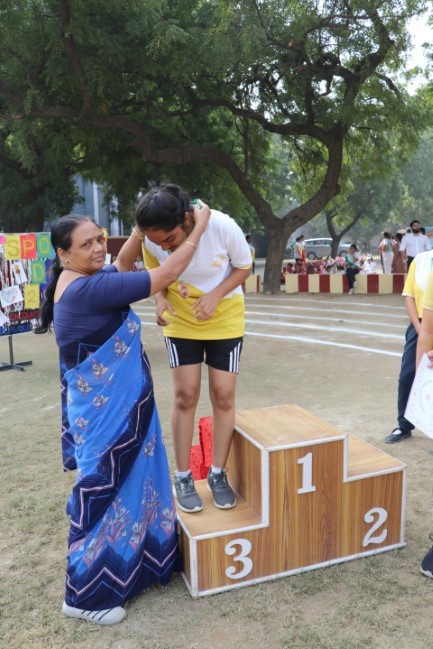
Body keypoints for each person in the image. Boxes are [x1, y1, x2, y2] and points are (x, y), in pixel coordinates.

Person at [35, 202, 211, 625]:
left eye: (100, 238)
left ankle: (138, 568)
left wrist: (136, 231)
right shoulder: (86, 291)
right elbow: (164, 275)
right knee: (104, 493)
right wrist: (199, 228)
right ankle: (84, 597)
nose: (98, 248)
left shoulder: (85, 279)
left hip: (125, 408)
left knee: (134, 485)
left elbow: (122, 264)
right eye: (87, 244)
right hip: (109, 418)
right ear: (63, 254)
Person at [136, 184, 252, 514]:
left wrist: (215, 296)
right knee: (185, 395)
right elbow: (154, 273)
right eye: (159, 243)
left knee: (223, 395)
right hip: (181, 321)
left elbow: (244, 266)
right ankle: (183, 476)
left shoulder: (222, 226)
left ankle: (218, 473)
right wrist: (159, 300)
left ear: (187, 220)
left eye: (170, 239)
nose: (165, 247)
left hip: (224, 318)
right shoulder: (151, 239)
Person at [384, 247, 433, 444]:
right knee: (408, 374)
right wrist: (420, 329)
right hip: (421, 324)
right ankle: (404, 425)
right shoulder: (421, 260)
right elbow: (409, 296)